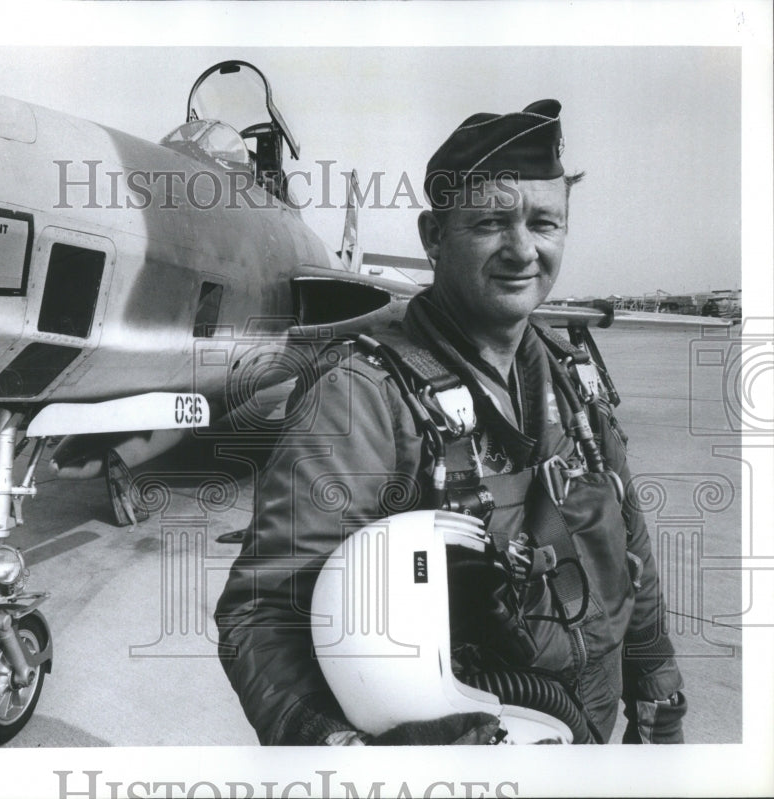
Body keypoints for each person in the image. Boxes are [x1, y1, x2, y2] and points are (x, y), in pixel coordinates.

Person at [214, 100, 686, 745]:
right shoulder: (364, 398)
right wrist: (334, 747)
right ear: (433, 235)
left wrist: (658, 683)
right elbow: (263, 612)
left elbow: (628, 541)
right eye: (491, 222)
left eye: (544, 223)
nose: (523, 250)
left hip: (587, 722)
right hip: (463, 739)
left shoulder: (573, 378)